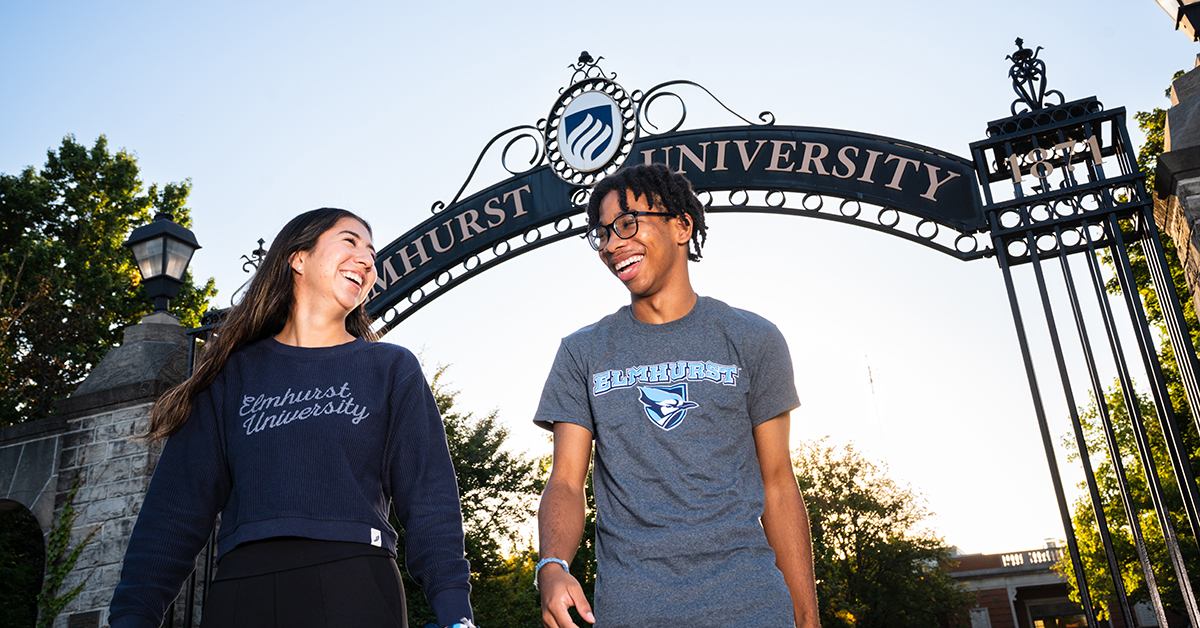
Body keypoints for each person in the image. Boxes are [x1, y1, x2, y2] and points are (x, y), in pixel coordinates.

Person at [108, 208, 474, 628]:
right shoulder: (233, 373)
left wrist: (455, 615)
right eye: (351, 241)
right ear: (298, 258)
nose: (368, 260)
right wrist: (133, 616)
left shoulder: (391, 369)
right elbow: (174, 509)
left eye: (372, 253)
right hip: (241, 593)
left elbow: (430, 498)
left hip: (357, 587)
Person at [533, 164, 820, 628]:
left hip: (752, 606)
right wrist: (552, 566)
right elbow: (565, 481)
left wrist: (807, 619)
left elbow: (779, 485)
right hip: (634, 610)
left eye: (627, 223)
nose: (611, 244)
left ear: (682, 225)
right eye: (601, 234)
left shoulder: (753, 338)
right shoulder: (581, 353)